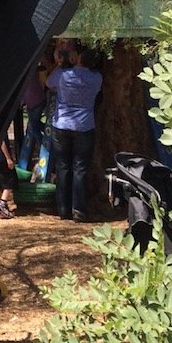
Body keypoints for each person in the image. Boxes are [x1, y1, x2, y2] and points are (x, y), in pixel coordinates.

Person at [46, 45, 103, 222]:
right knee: (80, 169)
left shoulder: (63, 75)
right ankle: (79, 209)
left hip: (61, 125)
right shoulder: (97, 78)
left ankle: (63, 210)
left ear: (78, 59)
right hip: (84, 126)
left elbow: (48, 83)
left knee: (63, 167)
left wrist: (60, 63)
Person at [0, 136, 19, 218]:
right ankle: (2, 204)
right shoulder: (1, 128)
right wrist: (8, 158)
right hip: (1, 158)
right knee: (10, 180)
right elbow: (1, 142)